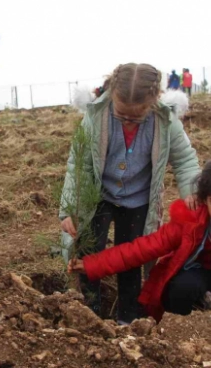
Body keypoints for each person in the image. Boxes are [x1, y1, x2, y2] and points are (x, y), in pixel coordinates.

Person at [68, 155, 211, 322]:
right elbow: (143, 248)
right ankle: (185, 320)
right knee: (182, 288)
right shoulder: (190, 223)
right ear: (204, 199)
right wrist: (91, 264)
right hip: (196, 277)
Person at [59, 63, 201, 324]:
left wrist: (191, 190)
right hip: (98, 197)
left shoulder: (165, 121)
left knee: (131, 257)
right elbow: (79, 165)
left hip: (138, 202)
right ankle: (89, 313)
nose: (127, 121)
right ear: (112, 96)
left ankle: (128, 317)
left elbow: (184, 159)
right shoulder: (96, 116)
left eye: (136, 118)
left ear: (153, 102)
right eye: (121, 115)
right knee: (89, 251)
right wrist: (70, 208)